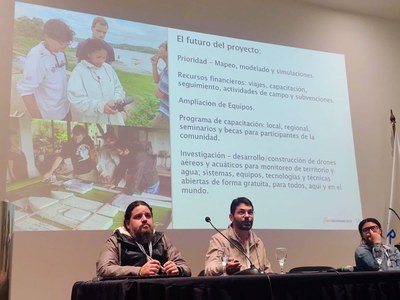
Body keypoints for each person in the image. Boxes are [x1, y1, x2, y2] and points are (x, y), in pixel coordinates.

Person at [96, 200, 191, 278]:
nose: (144, 219)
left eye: (148, 216)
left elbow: (185, 268)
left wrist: (177, 269)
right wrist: (139, 271)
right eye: (138, 216)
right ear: (127, 224)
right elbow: (104, 269)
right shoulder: (116, 240)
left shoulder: (162, 239)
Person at [17, 19, 74, 120]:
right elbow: (26, 91)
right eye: (61, 42)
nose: (64, 46)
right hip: (49, 115)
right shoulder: (36, 57)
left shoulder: (60, 51)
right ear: (47, 37)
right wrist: (39, 120)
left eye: (67, 43)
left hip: (65, 109)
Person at [204, 197, 272, 275]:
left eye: (250, 212)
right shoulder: (219, 239)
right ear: (231, 217)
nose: (247, 216)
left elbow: (267, 271)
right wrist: (224, 267)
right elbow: (209, 269)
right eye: (241, 212)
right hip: (232, 286)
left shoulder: (258, 242)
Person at [68, 38, 126, 125]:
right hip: (91, 120)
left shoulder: (108, 68)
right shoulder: (79, 71)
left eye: (104, 57)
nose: (101, 61)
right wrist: (101, 106)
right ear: (89, 54)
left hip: (114, 119)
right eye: (98, 57)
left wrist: (117, 100)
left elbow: (118, 88)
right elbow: (76, 100)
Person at [150, 41, 169, 127]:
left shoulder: (169, 71)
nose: (158, 47)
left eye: (161, 46)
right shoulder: (167, 68)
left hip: (165, 117)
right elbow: (157, 80)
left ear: (167, 52)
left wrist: (161, 85)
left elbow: (158, 94)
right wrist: (154, 65)